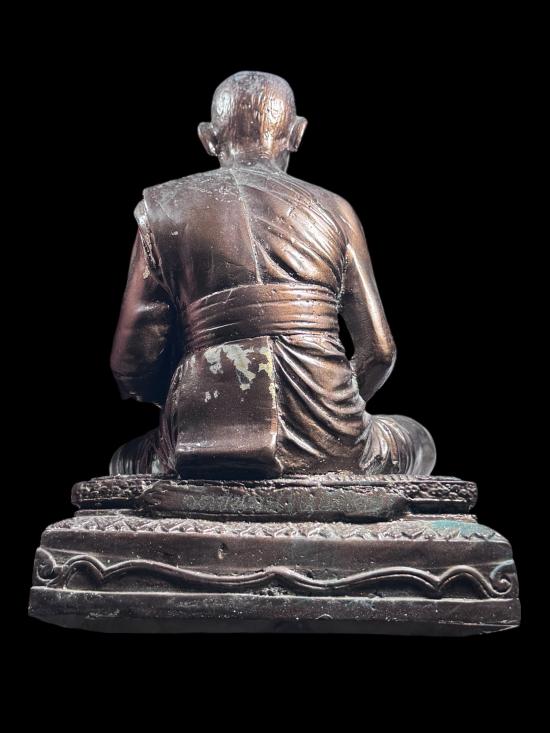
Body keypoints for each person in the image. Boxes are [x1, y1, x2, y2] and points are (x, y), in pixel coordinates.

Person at [110, 71, 436, 479]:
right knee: (417, 440)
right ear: (297, 134)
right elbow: (380, 352)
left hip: (199, 438)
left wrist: (199, 397)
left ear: (208, 138)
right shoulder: (337, 210)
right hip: (331, 434)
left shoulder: (163, 208)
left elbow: (132, 365)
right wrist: (331, 408)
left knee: (124, 462)